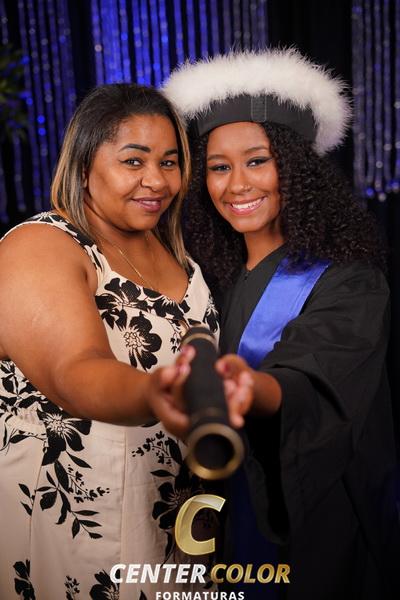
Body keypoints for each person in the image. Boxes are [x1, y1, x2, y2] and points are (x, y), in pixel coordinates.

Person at [162, 49, 400, 599]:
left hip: (319, 526)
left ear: (295, 169)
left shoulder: (349, 281)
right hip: (216, 517)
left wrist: (251, 388)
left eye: (257, 161)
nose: (237, 184)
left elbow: (311, 377)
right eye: (219, 167)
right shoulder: (204, 279)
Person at [0, 83, 227, 600]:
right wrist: (159, 393)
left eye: (169, 162)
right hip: (73, 532)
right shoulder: (40, 245)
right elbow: (74, 372)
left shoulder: (177, 255)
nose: (157, 180)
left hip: (170, 525)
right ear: (84, 167)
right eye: (133, 161)